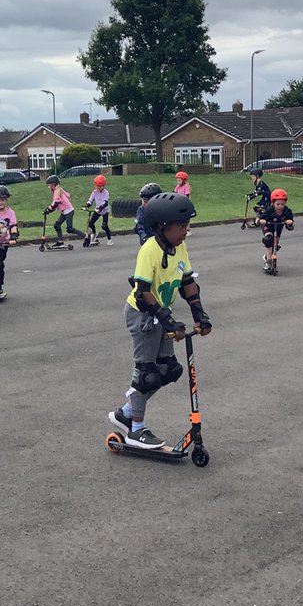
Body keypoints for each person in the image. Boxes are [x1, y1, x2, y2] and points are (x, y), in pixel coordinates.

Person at [108, 192, 212, 450]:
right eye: (181, 226)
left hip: (160, 314)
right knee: (147, 376)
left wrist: (200, 314)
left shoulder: (179, 247)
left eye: (187, 226)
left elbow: (187, 282)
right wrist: (168, 321)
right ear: (162, 226)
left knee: (168, 370)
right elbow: (143, 293)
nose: (186, 231)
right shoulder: (149, 250)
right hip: (142, 315)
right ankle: (135, 430)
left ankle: (126, 413)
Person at [257, 188, 295, 273]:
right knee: (268, 240)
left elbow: (291, 225)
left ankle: (267, 256)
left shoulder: (287, 211)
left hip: (278, 227)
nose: (280, 206)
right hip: (268, 226)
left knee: (275, 246)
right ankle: (268, 262)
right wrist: (260, 221)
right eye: (278, 204)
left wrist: (290, 223)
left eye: (282, 204)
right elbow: (258, 219)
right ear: (273, 203)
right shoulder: (269, 210)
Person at [44, 175, 76, 246]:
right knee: (57, 225)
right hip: (64, 211)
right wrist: (48, 209)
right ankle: (60, 242)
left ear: (54, 184)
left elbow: (56, 203)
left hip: (69, 211)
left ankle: (86, 236)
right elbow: (54, 203)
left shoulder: (57, 191)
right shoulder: (57, 190)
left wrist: (49, 210)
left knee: (69, 229)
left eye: (50, 185)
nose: (49, 187)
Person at [82, 174, 112, 246]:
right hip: (97, 210)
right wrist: (87, 205)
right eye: (97, 186)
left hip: (104, 211)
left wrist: (101, 207)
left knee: (104, 226)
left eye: (100, 186)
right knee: (91, 223)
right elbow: (91, 200)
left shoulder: (106, 192)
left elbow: (105, 202)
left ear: (104, 186)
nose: (98, 188)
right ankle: (94, 233)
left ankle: (109, 239)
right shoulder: (94, 192)